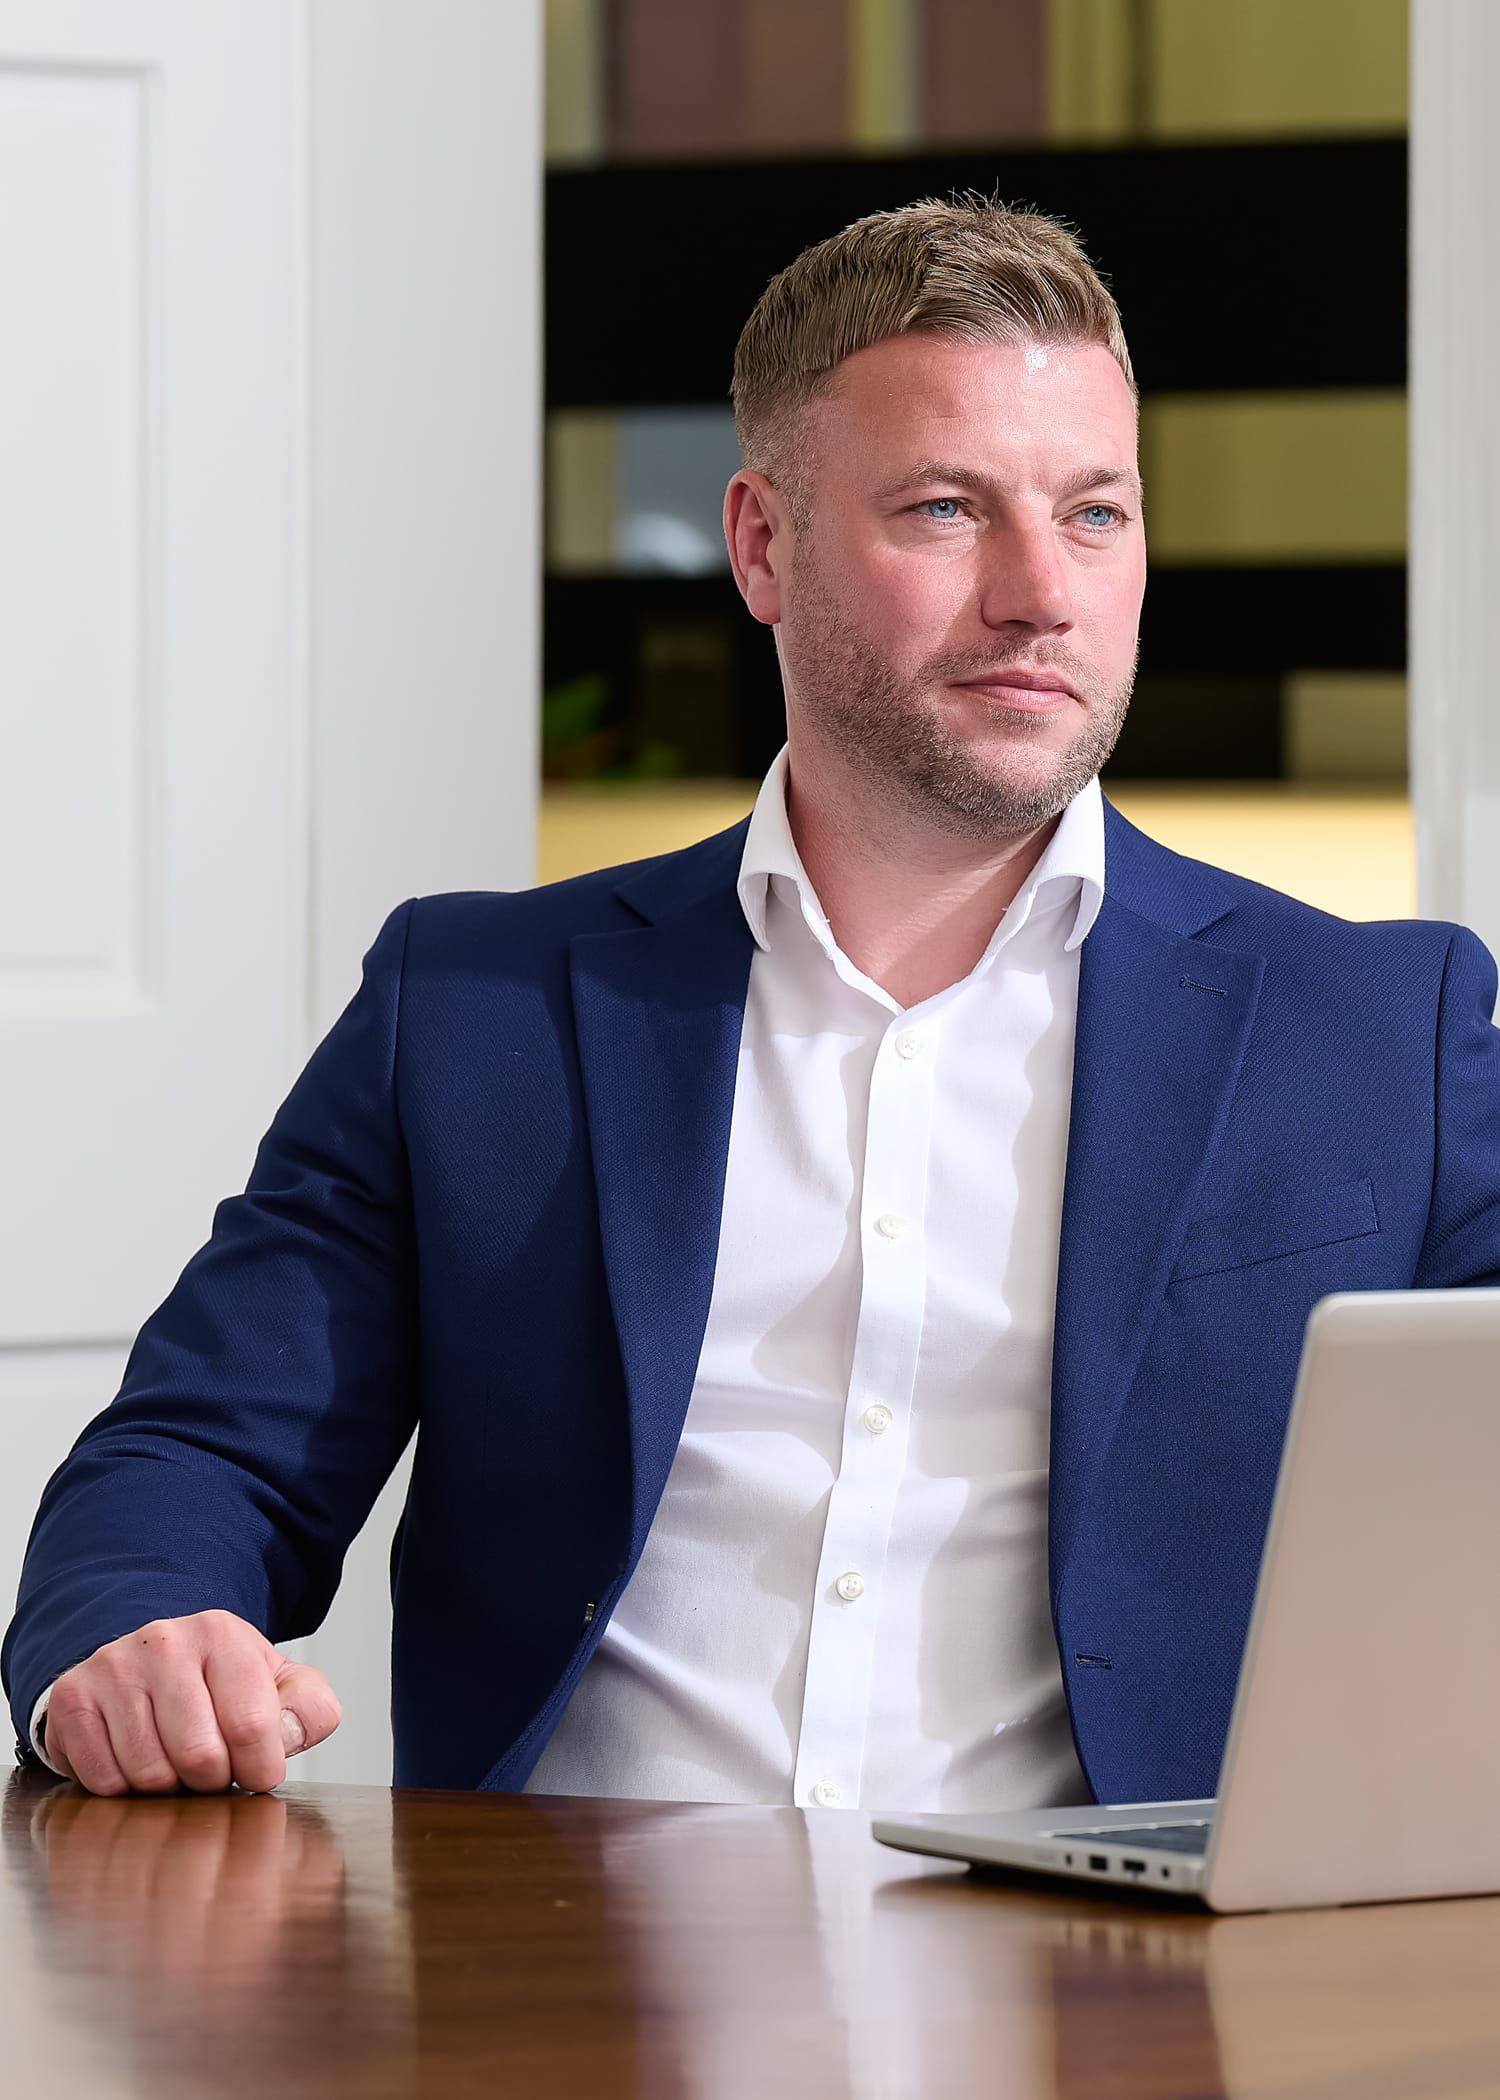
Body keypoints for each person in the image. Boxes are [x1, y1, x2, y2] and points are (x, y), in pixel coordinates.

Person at [7, 201, 1499, 1807]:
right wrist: (140, 1631)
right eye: (945, 508)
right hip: (567, 1994)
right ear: (763, 545)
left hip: (1134, 2000)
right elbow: (196, 1456)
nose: (1040, 593)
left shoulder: (1379, 1029)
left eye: (1094, 513)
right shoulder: (473, 1012)